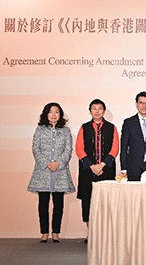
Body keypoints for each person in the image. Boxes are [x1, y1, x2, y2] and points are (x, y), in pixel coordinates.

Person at [27, 102, 75, 243]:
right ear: (46, 114)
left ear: (60, 115)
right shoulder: (40, 130)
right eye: (51, 112)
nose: (54, 115)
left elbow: (68, 150)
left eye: (56, 112)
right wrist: (47, 163)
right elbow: (36, 148)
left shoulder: (66, 131)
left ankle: (55, 232)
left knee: (58, 203)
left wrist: (58, 163)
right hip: (43, 172)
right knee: (43, 203)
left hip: (60, 172)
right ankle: (44, 232)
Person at [75, 99, 119, 243]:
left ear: (104, 111)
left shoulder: (112, 127)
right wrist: (92, 166)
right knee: (87, 201)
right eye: (94, 108)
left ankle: (104, 234)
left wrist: (102, 165)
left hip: (106, 170)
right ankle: (91, 233)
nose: (97, 111)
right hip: (88, 170)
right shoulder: (84, 127)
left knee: (106, 202)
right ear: (90, 111)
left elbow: (115, 149)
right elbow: (79, 149)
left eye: (100, 108)